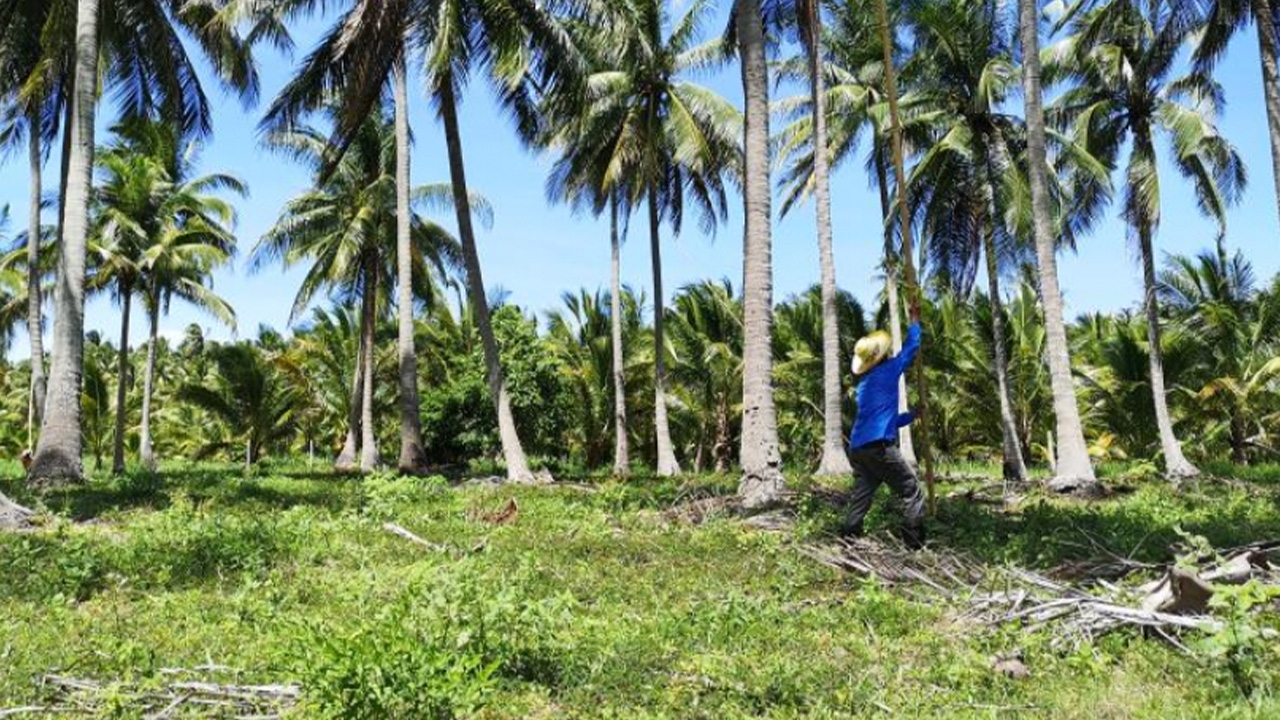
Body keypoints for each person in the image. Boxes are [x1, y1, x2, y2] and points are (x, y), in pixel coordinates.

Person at [841, 321, 926, 549]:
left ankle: (849, 536)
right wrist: (916, 324)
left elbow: (886, 421)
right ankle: (914, 543)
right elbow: (910, 349)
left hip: (858, 447)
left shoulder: (864, 384)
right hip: (877, 446)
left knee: (863, 493)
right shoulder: (887, 370)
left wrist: (911, 415)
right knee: (911, 489)